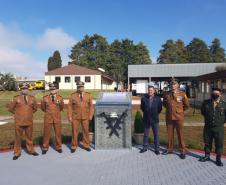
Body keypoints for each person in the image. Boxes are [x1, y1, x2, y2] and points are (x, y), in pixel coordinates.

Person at [8, 83, 39, 160]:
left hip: (29, 121)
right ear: (20, 89)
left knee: (29, 137)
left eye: (26, 88)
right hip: (19, 121)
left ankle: (31, 150)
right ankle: (17, 152)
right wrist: (18, 114)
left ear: (28, 89)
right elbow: (11, 108)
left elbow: (35, 108)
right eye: (23, 88)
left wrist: (29, 114)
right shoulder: (16, 98)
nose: (24, 89)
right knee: (18, 138)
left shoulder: (32, 98)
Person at [162, 77, 189, 159]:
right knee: (169, 134)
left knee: (180, 134)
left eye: (174, 84)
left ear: (178, 85)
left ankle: (182, 150)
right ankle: (169, 149)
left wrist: (180, 111)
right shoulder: (166, 94)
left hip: (179, 117)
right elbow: (164, 104)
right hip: (169, 117)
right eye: (171, 84)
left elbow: (186, 105)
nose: (172, 85)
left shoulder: (182, 94)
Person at [199, 87, 226, 166]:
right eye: (213, 93)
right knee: (207, 142)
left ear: (220, 95)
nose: (215, 95)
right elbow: (203, 112)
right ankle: (207, 156)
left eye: (217, 93)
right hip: (208, 127)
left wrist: (220, 122)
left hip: (219, 128)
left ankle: (218, 158)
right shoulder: (206, 102)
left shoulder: (224, 104)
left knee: (219, 143)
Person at [67, 81, 94, 153]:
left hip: (85, 116)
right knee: (74, 131)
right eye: (78, 87)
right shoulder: (73, 95)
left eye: (81, 87)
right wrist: (69, 116)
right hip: (75, 116)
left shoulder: (88, 95)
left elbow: (91, 106)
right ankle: (74, 146)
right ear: (77, 87)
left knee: (85, 131)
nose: (80, 88)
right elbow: (69, 107)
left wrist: (91, 115)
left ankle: (86, 145)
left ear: (83, 87)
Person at [41, 83, 64, 154]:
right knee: (46, 133)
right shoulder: (45, 98)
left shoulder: (60, 98)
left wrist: (55, 113)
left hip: (57, 118)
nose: (52, 90)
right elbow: (43, 108)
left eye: (54, 89)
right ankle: (45, 147)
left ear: (57, 90)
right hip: (48, 118)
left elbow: (61, 107)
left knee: (58, 133)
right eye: (51, 89)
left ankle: (59, 147)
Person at [140, 85, 162, 154]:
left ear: (154, 91)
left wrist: (154, 113)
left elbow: (159, 109)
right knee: (146, 134)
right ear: (148, 91)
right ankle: (144, 147)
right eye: (149, 90)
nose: (150, 91)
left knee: (156, 135)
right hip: (146, 119)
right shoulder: (143, 98)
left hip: (155, 119)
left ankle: (157, 149)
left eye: (151, 90)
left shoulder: (158, 99)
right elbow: (142, 108)